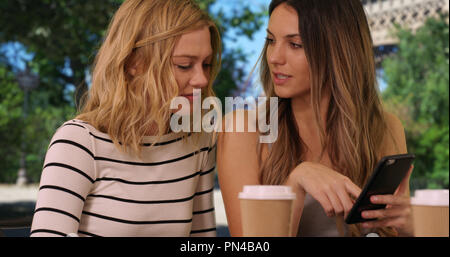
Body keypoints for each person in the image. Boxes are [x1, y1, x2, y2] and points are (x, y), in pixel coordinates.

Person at [217, 0, 414, 237]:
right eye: (271, 40)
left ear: (338, 50)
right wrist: (295, 183)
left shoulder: (385, 128)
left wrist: (411, 227)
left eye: (295, 44)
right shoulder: (243, 130)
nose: (274, 57)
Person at [31, 0, 220, 237]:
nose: (202, 79)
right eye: (184, 65)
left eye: (206, 64)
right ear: (134, 62)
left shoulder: (198, 142)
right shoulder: (79, 143)